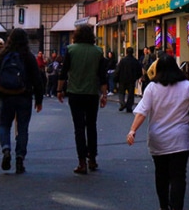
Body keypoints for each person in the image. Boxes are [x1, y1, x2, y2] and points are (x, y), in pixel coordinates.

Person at [126, 56, 189, 210]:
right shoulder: (188, 86)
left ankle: (164, 207)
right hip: (180, 139)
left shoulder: (152, 88)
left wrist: (132, 130)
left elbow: (142, 112)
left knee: (161, 174)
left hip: (158, 138)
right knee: (178, 175)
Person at [0, 28, 44, 173]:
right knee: (23, 128)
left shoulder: (3, 55)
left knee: (5, 124)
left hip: (6, 96)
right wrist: (39, 99)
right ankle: (19, 158)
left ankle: (6, 149)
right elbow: (38, 79)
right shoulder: (28, 56)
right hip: (24, 95)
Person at [57, 24, 108, 174]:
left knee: (78, 127)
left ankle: (81, 162)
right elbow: (102, 76)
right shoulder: (98, 52)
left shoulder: (71, 50)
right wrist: (104, 95)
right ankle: (92, 158)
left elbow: (64, 72)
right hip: (92, 93)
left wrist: (60, 90)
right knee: (91, 125)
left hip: (75, 92)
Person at [115, 47, 143, 113]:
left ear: (126, 52)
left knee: (121, 93)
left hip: (122, 79)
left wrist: (116, 78)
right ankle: (129, 107)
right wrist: (136, 77)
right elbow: (139, 71)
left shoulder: (122, 61)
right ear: (133, 52)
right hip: (131, 80)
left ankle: (122, 103)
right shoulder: (135, 61)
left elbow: (118, 70)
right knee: (131, 94)